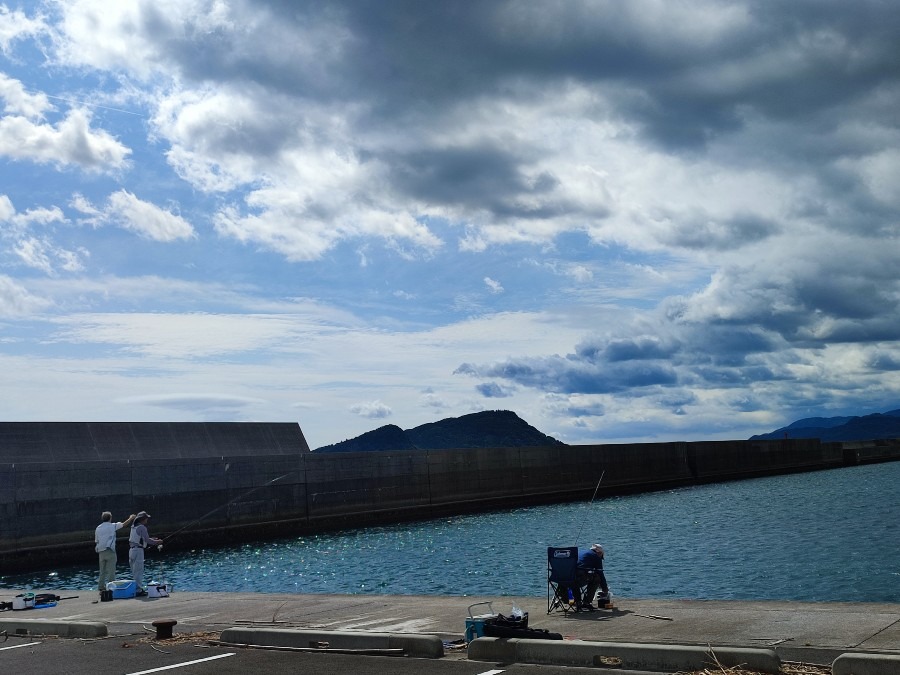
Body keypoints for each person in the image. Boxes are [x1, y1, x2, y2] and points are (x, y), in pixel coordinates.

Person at [95, 511, 136, 592]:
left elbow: (97, 540)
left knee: (102, 570)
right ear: (110, 518)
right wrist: (131, 518)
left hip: (100, 551)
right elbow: (124, 524)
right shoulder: (112, 526)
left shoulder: (98, 528)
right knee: (111, 570)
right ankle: (111, 587)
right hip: (110, 550)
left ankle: (101, 586)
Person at [129, 511, 162, 596]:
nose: (147, 520)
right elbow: (147, 540)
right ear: (143, 519)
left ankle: (136, 589)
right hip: (138, 551)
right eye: (146, 518)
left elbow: (141, 538)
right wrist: (157, 542)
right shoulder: (142, 527)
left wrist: (153, 539)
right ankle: (139, 590)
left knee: (134, 571)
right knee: (139, 571)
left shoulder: (133, 527)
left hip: (131, 551)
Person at [576, 543, 610, 610]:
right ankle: (587, 602)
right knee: (597, 579)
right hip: (579, 579)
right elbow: (600, 574)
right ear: (599, 553)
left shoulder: (581, 552)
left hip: (568, 578)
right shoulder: (596, 556)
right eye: (601, 555)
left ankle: (575, 601)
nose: (601, 557)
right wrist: (605, 588)